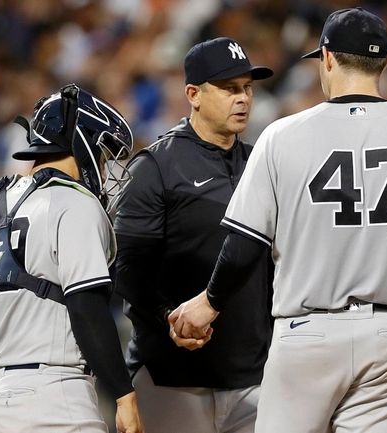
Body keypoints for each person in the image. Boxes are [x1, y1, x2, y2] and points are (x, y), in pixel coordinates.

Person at [169, 8, 387, 433]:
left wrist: (209, 303)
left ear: (327, 58)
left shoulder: (283, 135)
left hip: (308, 331)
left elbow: (245, 245)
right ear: (385, 62)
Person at [112, 37, 274, 433]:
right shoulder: (156, 166)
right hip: (173, 375)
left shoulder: (262, 162)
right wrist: (167, 317)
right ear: (193, 94)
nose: (243, 99)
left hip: (255, 376)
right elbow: (128, 269)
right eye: (229, 88)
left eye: (248, 88)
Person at [0, 84, 143, 433]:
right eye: (103, 155)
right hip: (52, 399)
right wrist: (124, 395)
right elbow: (86, 307)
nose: (105, 169)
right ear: (84, 142)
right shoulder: (74, 203)